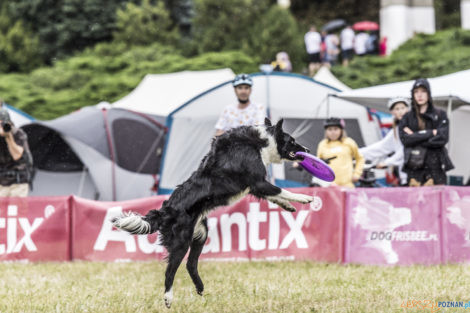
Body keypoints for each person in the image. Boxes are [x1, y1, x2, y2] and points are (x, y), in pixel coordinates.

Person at [399, 78, 454, 186]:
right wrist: (430, 133)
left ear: (428, 93)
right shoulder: (407, 117)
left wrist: (415, 137)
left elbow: (442, 138)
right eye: (416, 92)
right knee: (415, 200)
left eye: (423, 91)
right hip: (414, 166)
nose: (419, 95)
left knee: (437, 199)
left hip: (435, 166)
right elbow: (405, 139)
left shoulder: (440, 114)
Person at [360, 97, 410, 186]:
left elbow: (406, 150)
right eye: (397, 109)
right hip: (404, 176)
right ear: (392, 112)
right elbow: (382, 147)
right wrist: (356, 153)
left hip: (416, 175)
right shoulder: (396, 129)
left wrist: (387, 162)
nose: (400, 111)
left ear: (407, 109)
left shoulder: (413, 126)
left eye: (403, 108)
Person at [316, 117, 364, 187]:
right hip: (329, 186)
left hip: (347, 185)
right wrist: (326, 182)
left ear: (341, 130)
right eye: (330, 129)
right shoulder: (322, 144)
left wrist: (357, 174)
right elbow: (318, 165)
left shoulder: (349, 142)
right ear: (326, 131)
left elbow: (360, 158)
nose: (333, 132)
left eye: (336, 129)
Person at [0, 109, 33, 197]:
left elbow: (16, 155)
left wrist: (8, 137)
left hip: (18, 181)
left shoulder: (18, 133)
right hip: (2, 183)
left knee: (15, 210)